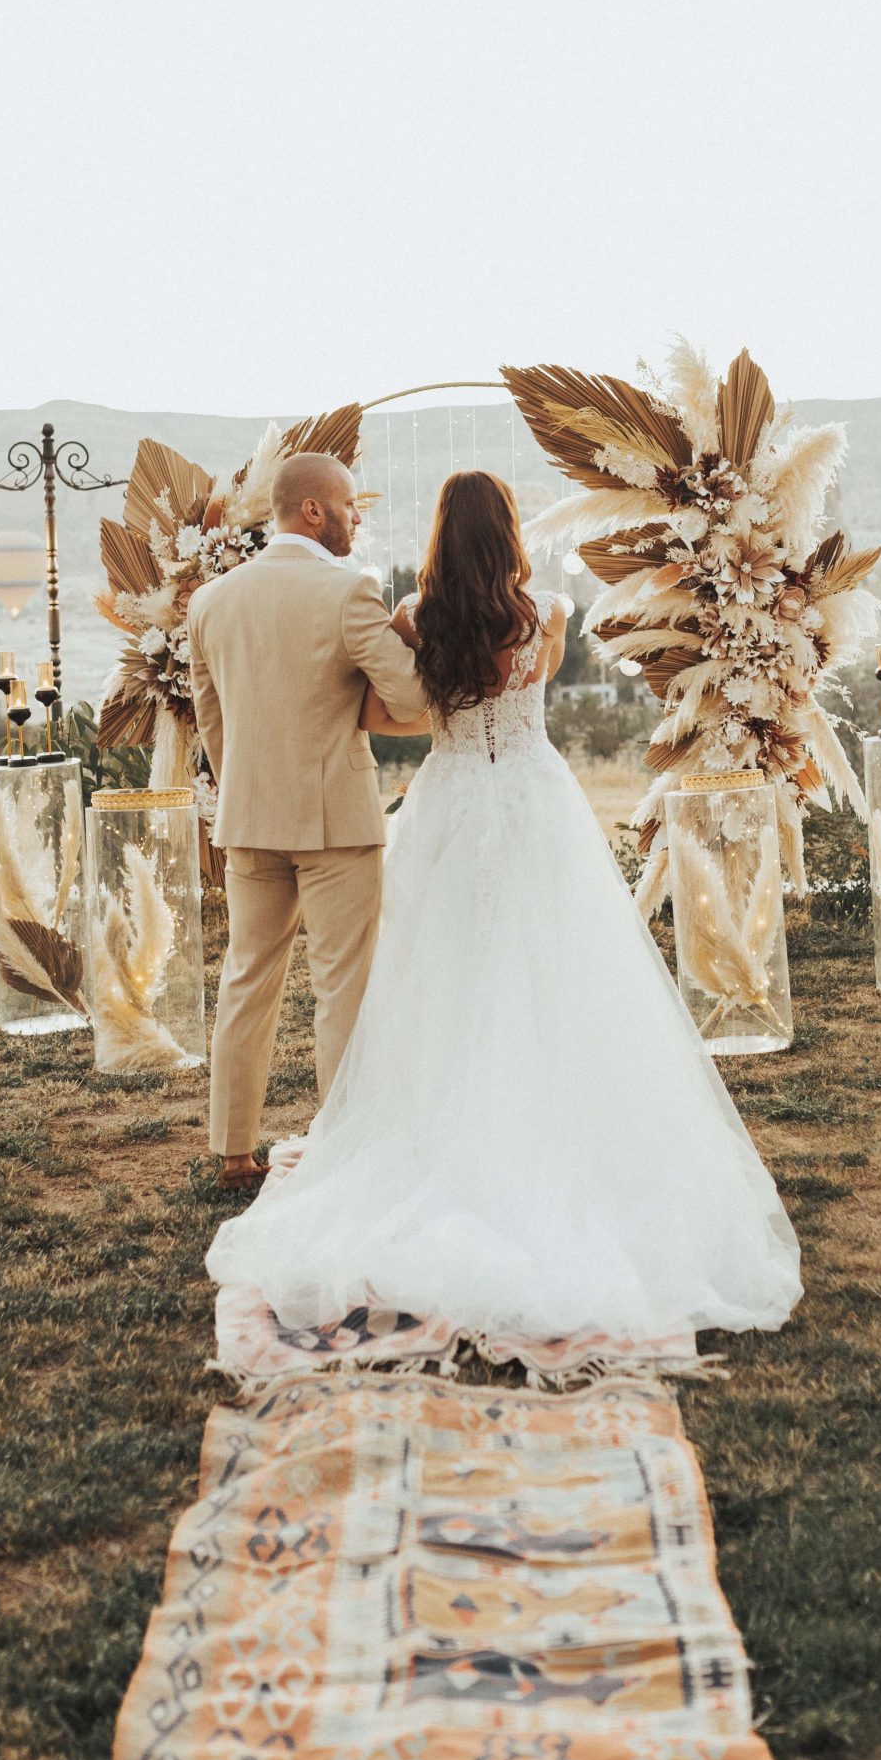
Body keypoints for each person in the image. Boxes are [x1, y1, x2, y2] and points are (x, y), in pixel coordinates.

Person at [206, 468, 800, 1348]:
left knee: (433, 969)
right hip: (530, 799)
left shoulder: (414, 618)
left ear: (440, 536)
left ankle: (356, 1134)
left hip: (446, 801)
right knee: (551, 961)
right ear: (511, 534)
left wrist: (425, 705)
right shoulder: (547, 614)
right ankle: (554, 1116)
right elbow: (527, 691)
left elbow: (387, 712)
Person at [188, 451, 428, 1191]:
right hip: (335, 823)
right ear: (314, 510)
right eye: (350, 505)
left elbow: (211, 722)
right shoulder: (349, 592)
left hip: (247, 818)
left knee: (245, 979)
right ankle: (347, 1147)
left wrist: (246, 791)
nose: (358, 518)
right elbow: (412, 700)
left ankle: (233, 1154)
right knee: (342, 987)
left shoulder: (211, 601)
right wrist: (408, 635)